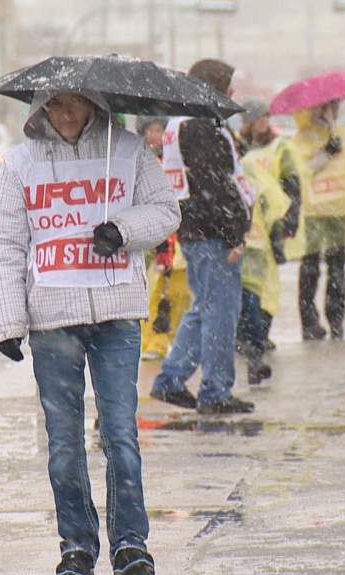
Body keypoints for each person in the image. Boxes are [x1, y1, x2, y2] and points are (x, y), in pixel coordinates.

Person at [0, 89, 178, 575]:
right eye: (53, 106)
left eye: (73, 103)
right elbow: (5, 243)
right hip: (53, 318)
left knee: (120, 434)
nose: (64, 114)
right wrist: (8, 322)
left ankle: (130, 543)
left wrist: (122, 228)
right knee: (64, 444)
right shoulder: (21, 164)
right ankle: (76, 546)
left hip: (116, 314)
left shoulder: (129, 150)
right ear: (41, 111)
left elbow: (164, 210)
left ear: (93, 105)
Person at [150, 58, 256, 415]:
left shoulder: (184, 124)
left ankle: (172, 379)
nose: (232, 93)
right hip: (213, 232)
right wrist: (235, 233)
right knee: (220, 313)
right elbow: (215, 183)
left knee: (205, 309)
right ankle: (214, 390)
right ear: (212, 87)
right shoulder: (200, 126)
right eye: (227, 85)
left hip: (198, 229)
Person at [290, 100, 345, 340]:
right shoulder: (303, 138)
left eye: (335, 106)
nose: (332, 111)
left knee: (337, 267)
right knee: (311, 267)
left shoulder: (344, 136)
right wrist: (326, 152)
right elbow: (301, 170)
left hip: (338, 211)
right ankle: (309, 321)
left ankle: (336, 319)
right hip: (314, 211)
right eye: (328, 106)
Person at [236, 98, 302, 382]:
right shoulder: (237, 147)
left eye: (266, 116)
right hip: (245, 227)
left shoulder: (280, 146)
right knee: (247, 287)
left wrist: (289, 220)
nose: (264, 121)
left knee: (267, 287)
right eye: (258, 117)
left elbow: (291, 184)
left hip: (269, 225)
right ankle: (250, 337)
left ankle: (259, 335)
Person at [134, 116, 190, 361]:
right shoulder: (142, 164)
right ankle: (153, 341)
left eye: (160, 130)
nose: (155, 136)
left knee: (178, 293)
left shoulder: (173, 162)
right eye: (151, 131)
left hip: (176, 239)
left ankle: (170, 339)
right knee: (155, 293)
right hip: (155, 241)